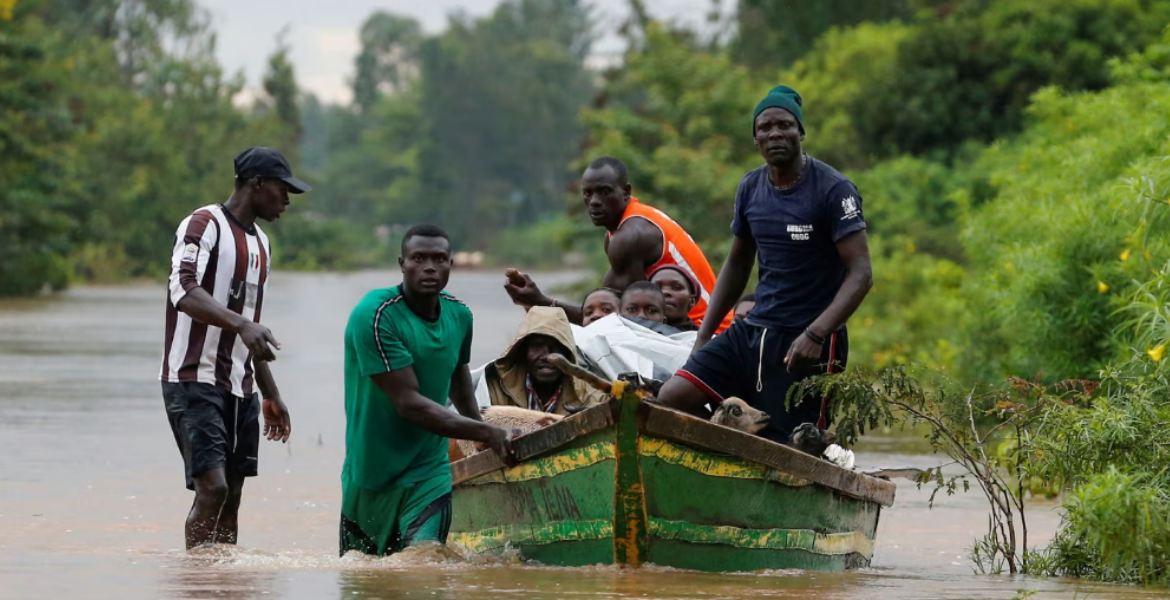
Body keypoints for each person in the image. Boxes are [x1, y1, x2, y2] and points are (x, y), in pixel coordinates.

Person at [656, 85, 873, 445]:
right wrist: (705, 334)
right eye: (765, 127)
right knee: (674, 397)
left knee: (786, 445)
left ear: (800, 132)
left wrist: (816, 334)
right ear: (755, 139)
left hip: (807, 339)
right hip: (753, 329)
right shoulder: (751, 187)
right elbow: (738, 263)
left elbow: (862, 274)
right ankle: (718, 465)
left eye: (785, 125)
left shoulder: (834, 190)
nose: (775, 133)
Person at [161, 146, 307, 550]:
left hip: (241, 387)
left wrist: (272, 394)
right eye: (283, 188)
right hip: (193, 378)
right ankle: (197, 582)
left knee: (233, 496)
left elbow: (251, 331)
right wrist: (242, 323)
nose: (287, 199)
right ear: (256, 183)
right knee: (213, 488)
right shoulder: (203, 223)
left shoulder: (262, 243)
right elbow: (183, 289)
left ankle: (224, 585)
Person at [340, 224, 517, 557]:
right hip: (372, 471)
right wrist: (490, 432)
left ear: (451, 264)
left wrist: (480, 434)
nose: (430, 267)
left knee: (425, 563)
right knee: (363, 576)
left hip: (429, 469)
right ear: (402, 263)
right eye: (418, 258)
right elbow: (409, 404)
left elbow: (459, 379)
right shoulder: (375, 316)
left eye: (439, 259)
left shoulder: (460, 315)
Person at [504, 157, 732, 332]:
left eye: (604, 192)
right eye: (587, 193)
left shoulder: (630, 236)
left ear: (626, 192)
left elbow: (614, 322)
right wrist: (541, 303)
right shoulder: (621, 231)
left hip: (707, 335)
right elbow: (609, 315)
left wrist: (542, 303)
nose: (594, 202)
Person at [485, 306, 609, 414]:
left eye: (557, 347)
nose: (547, 356)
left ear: (568, 353)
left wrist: (587, 419)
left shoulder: (590, 395)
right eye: (537, 346)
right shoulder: (495, 387)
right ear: (522, 352)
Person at [650, 265, 699, 332]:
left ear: (692, 301)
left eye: (676, 287)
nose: (665, 292)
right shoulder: (632, 332)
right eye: (657, 288)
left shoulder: (705, 340)